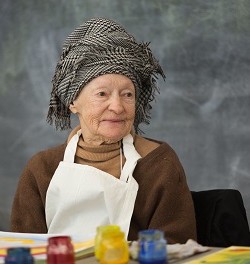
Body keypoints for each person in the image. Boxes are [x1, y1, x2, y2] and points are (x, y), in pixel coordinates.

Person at [10, 18, 197, 244]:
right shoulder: (41, 170)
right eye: (102, 94)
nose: (118, 107)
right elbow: (25, 251)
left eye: (127, 94)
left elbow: (174, 255)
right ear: (73, 102)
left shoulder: (159, 166)